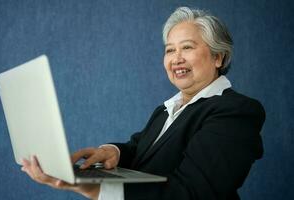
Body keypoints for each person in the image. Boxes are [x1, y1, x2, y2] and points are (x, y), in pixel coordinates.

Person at [21, 7, 265, 200]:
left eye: (187, 47)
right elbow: (140, 151)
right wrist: (112, 152)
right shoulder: (167, 109)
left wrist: (91, 188)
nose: (176, 58)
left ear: (218, 57)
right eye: (170, 50)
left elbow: (192, 194)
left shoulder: (236, 112)